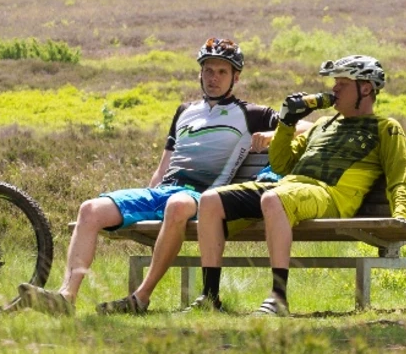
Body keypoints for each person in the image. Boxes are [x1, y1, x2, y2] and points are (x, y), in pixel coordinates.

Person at [17, 37, 279, 315]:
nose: (213, 78)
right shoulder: (184, 112)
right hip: (163, 193)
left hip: (203, 198)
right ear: (200, 73)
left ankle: (141, 297)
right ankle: (66, 297)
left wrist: (274, 134)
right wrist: (149, 195)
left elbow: (304, 127)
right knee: (90, 209)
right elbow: (165, 165)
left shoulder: (252, 114)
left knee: (176, 204)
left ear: (236, 77)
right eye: (208, 70)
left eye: (222, 72)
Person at [194, 54, 406, 316]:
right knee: (210, 201)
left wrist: (400, 219)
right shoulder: (323, 125)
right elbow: (281, 164)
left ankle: (278, 298)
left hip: (329, 196)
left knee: (273, 199)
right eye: (334, 83)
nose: (333, 89)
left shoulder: (386, 128)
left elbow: (399, 178)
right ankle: (210, 297)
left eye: (342, 84)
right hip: (289, 188)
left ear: (366, 88)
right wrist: (286, 123)